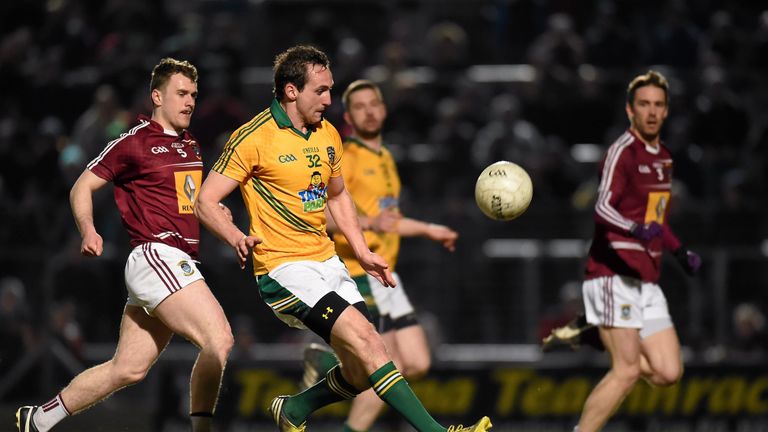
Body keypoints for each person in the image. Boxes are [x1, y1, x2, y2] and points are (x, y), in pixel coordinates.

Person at [194, 45, 491, 432]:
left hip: (327, 260)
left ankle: (295, 409)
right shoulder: (253, 138)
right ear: (290, 91)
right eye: (320, 91)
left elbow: (337, 195)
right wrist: (234, 235)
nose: (329, 100)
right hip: (283, 268)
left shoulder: (328, 133)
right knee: (370, 342)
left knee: (361, 367)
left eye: (330, 89)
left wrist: (362, 251)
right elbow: (205, 201)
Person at [16, 58, 234, 432]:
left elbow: (187, 205)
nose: (189, 102)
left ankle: (37, 419)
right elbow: (81, 185)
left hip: (175, 262)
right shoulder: (135, 141)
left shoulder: (191, 145)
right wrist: (88, 229)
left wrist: (217, 215)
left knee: (128, 368)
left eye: (194, 95)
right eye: (181, 93)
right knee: (220, 340)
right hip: (156, 255)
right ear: (156, 96)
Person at [299, 79, 460, 432]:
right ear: (350, 116)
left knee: (417, 362)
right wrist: (369, 220)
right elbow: (318, 213)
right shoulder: (347, 157)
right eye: (359, 106)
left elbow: (390, 222)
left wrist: (429, 229)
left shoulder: (385, 157)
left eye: (375, 104)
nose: (369, 111)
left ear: (385, 109)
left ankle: (328, 362)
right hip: (359, 273)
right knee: (385, 366)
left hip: (389, 277)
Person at [550, 70, 701, 432]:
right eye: (644, 104)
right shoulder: (621, 152)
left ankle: (615, 342)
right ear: (631, 110)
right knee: (628, 370)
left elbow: (658, 222)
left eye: (658, 105)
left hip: (645, 279)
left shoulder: (662, 159)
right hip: (611, 272)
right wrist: (634, 228)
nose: (651, 111)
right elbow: (602, 207)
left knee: (667, 372)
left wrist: (680, 252)